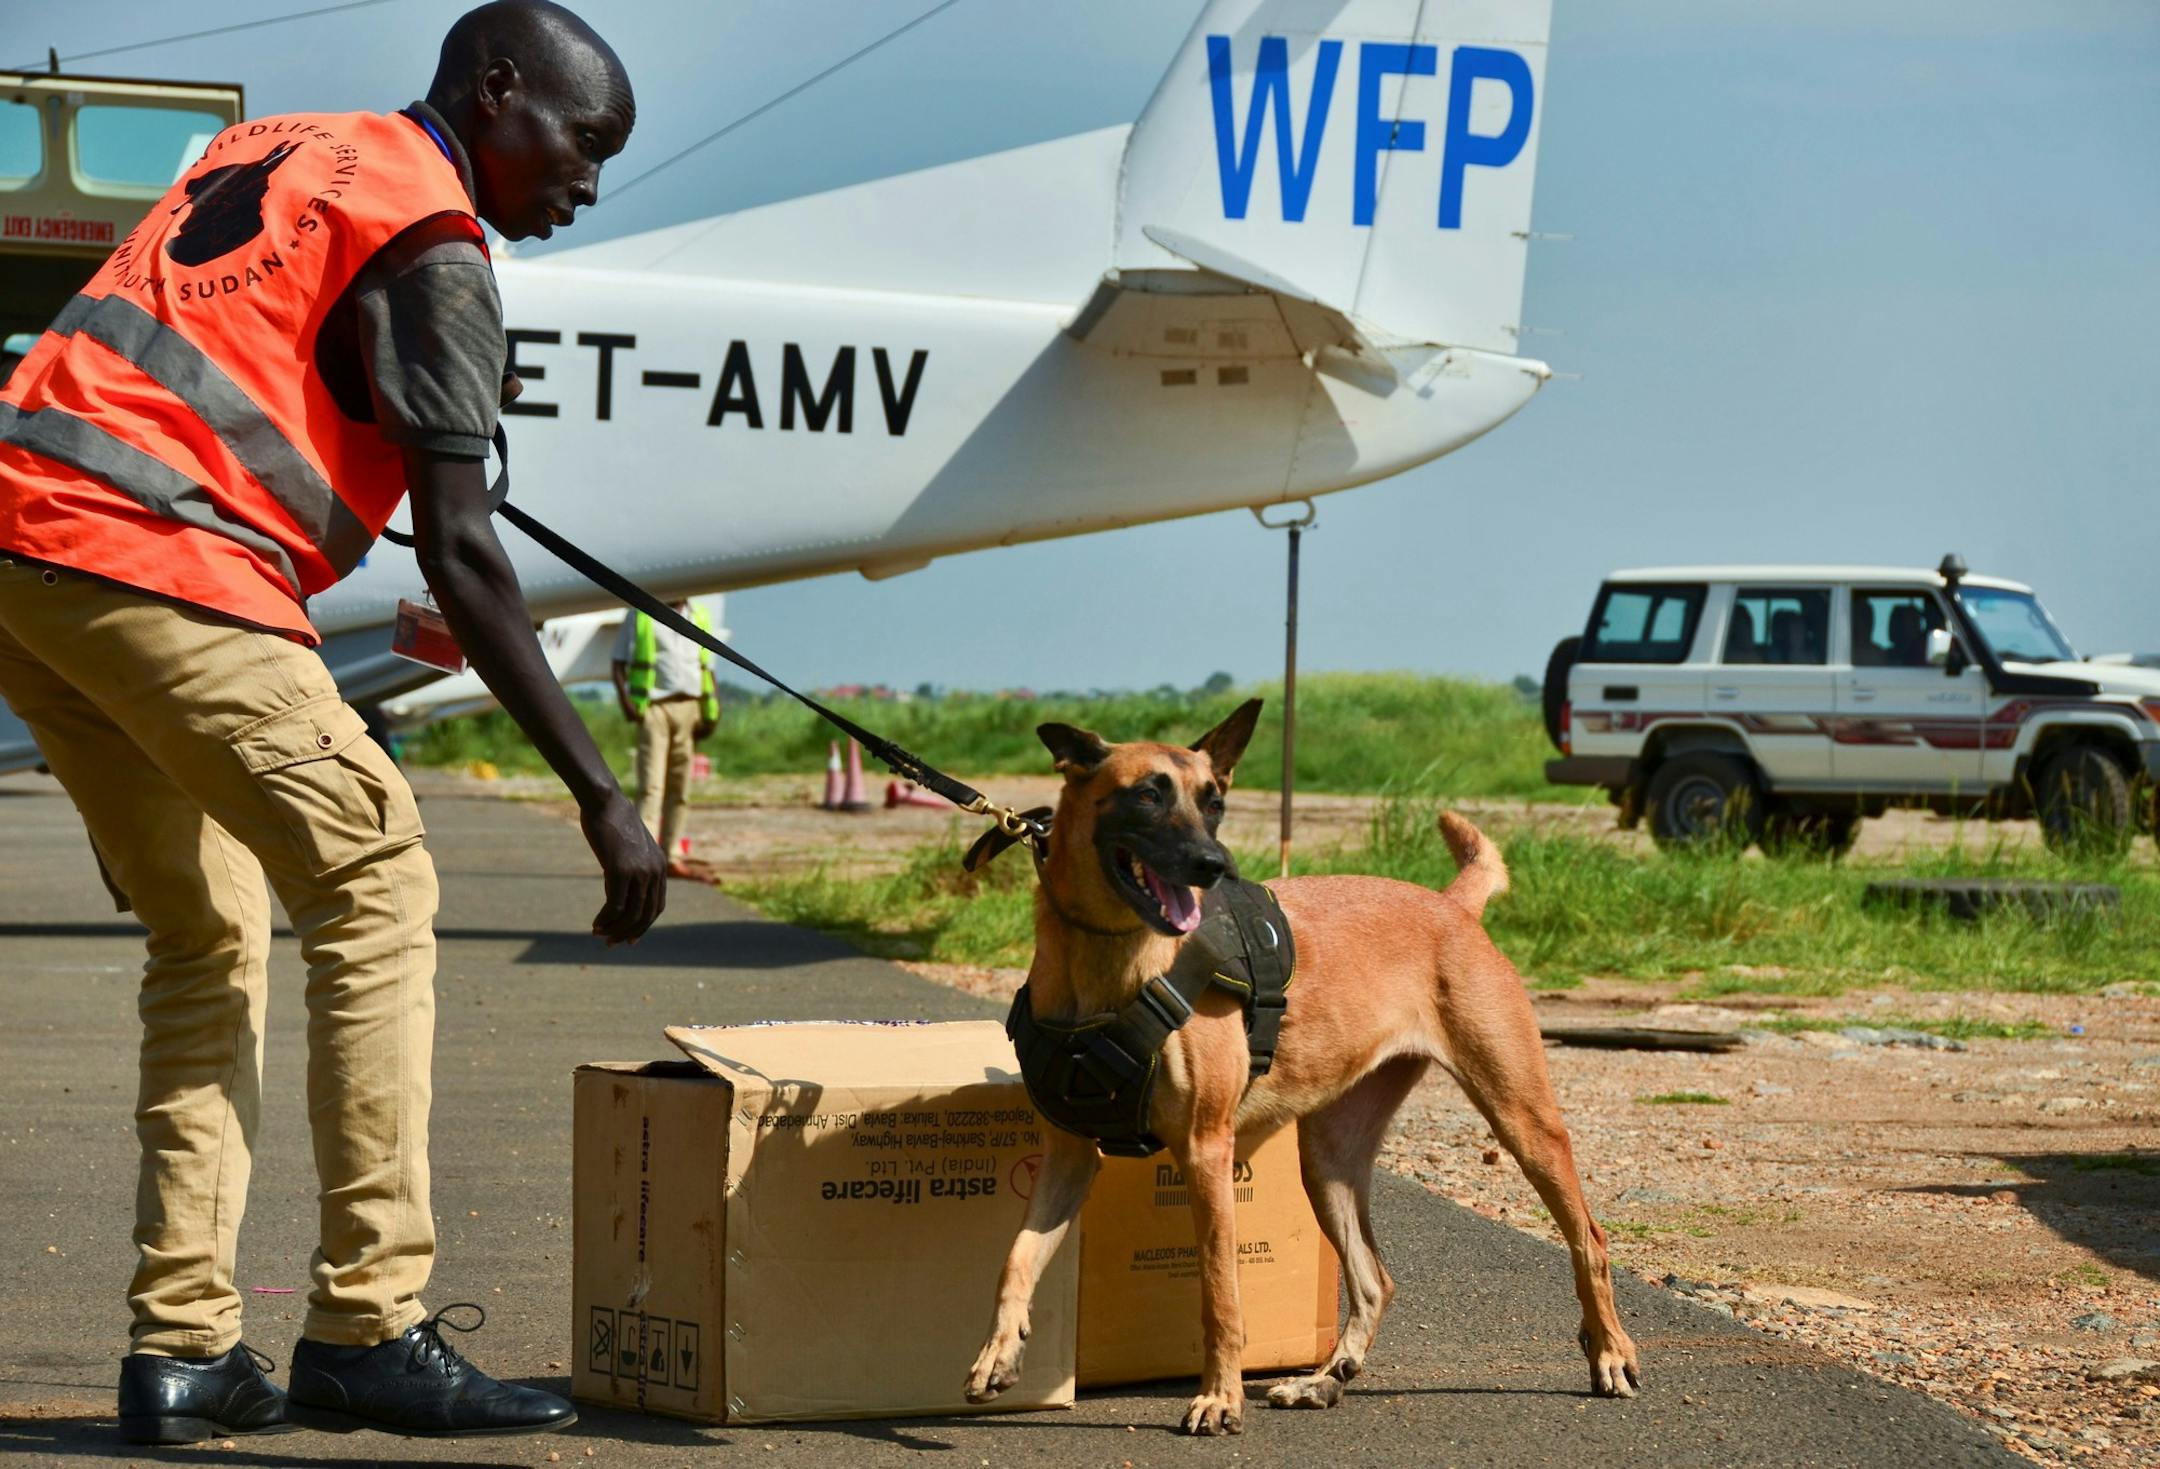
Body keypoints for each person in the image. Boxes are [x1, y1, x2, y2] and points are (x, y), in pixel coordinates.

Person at [0, 0, 659, 1444]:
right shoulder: (434, 236)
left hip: (29, 561)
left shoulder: (285, 146)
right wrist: (604, 795)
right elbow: (467, 553)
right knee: (374, 875)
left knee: (209, 931)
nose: (587, 184)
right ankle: (369, 1323)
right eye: (582, 144)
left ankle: (182, 1352)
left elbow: (253, 353)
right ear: (498, 93)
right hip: (163, 557)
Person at [611, 601, 720, 878]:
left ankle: (671, 854)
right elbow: (618, 663)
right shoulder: (640, 614)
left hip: (690, 706)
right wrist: (627, 703)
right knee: (651, 786)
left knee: (680, 788)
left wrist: (711, 711)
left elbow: (707, 667)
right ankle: (645, 856)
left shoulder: (700, 616)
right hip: (655, 708)